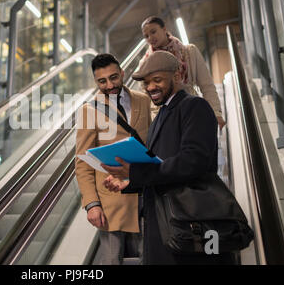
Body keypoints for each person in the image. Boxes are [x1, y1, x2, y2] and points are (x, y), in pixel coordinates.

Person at [102, 51, 234, 265]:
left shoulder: (194, 107)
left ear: (177, 75)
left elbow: (194, 161)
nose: (150, 87)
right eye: (146, 82)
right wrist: (129, 182)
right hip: (164, 222)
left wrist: (135, 172)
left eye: (157, 80)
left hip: (188, 221)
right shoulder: (160, 117)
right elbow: (158, 167)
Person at [75, 53, 152, 265]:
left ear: (122, 73)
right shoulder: (89, 110)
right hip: (111, 201)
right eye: (102, 81)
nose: (110, 85)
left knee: (152, 257)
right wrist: (91, 204)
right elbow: (82, 162)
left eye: (114, 77)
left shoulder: (143, 101)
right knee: (111, 261)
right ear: (96, 81)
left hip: (145, 193)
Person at [139, 16, 226, 130]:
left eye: (153, 32)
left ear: (164, 29)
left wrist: (216, 113)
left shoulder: (189, 52)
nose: (150, 37)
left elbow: (206, 85)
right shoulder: (145, 63)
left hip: (191, 109)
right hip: (164, 117)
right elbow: (146, 97)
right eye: (146, 36)